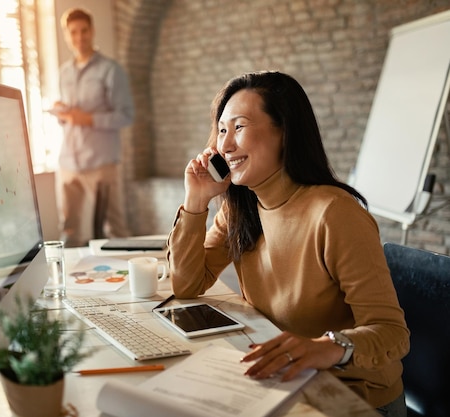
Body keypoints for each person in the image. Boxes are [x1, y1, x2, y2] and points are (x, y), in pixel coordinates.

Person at [167, 71, 409, 417]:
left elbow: (393, 334)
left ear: (284, 131)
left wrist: (328, 346)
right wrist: (195, 203)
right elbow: (186, 285)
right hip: (285, 382)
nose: (225, 145)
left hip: (353, 397)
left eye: (239, 127)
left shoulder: (334, 214)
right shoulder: (241, 208)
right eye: (222, 130)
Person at [51, 7, 134, 248]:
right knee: (69, 230)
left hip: (101, 163)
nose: (79, 37)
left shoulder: (111, 70)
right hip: (68, 163)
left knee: (114, 229)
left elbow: (125, 116)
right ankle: (75, 283)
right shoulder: (63, 73)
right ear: (66, 35)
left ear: (92, 31)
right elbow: (68, 118)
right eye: (73, 32)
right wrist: (61, 113)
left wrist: (88, 119)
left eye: (84, 31)